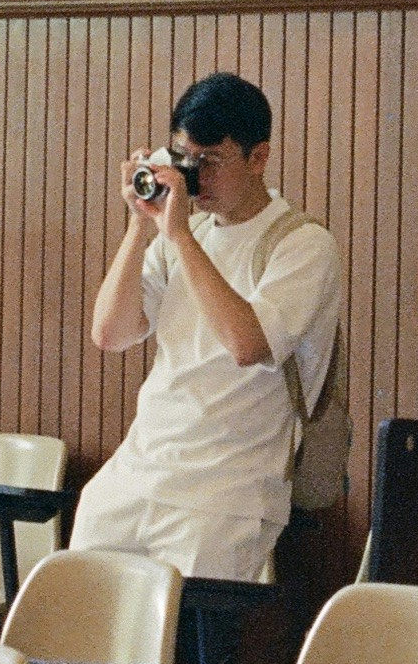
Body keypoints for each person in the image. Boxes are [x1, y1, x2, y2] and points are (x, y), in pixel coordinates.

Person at [75, 72, 344, 583]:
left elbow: (247, 344)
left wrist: (178, 235)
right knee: (76, 635)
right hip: (136, 473)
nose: (195, 177)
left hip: (226, 493)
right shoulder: (183, 234)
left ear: (258, 157)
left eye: (211, 161)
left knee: (178, 649)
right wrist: (140, 224)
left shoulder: (302, 244)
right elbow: (109, 334)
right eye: (184, 158)